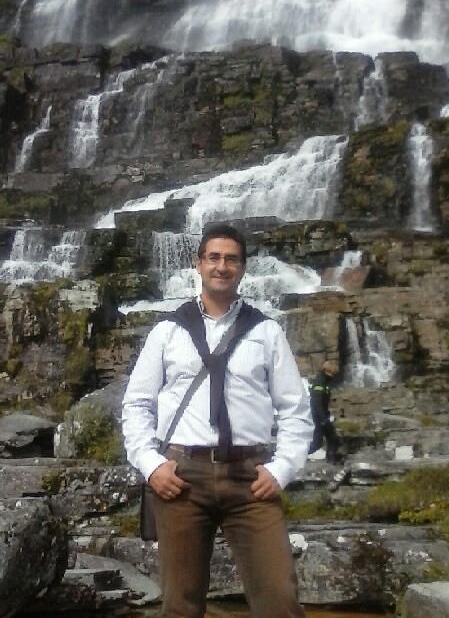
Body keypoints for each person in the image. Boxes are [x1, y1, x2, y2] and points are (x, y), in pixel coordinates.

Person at [122, 221, 313, 618]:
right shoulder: (166, 331)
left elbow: (295, 409)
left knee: (280, 601)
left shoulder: (267, 331)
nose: (221, 266)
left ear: (242, 268)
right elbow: (137, 404)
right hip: (181, 478)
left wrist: (282, 469)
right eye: (214, 257)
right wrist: (151, 464)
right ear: (198, 263)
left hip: (251, 478)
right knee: (180, 606)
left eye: (231, 259)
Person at [308, 360, 340, 463]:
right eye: (332, 373)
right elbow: (317, 401)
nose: (333, 376)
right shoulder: (320, 382)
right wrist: (322, 418)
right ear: (327, 371)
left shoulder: (324, 381)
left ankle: (331, 458)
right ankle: (303, 455)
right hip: (319, 416)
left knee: (331, 438)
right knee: (320, 441)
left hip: (322, 415)